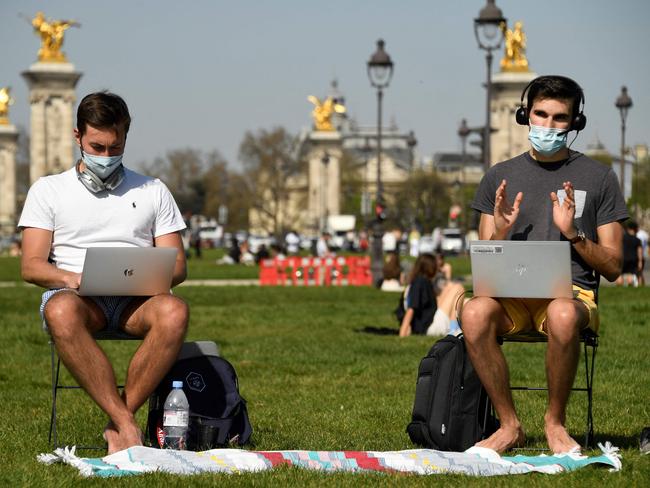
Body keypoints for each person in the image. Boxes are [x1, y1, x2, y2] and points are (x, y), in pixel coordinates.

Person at [462, 75, 628, 454]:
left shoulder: (599, 178)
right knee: (473, 312)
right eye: (541, 114)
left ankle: (554, 424)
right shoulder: (498, 176)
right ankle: (509, 425)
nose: (548, 126)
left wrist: (573, 234)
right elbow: (485, 257)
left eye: (559, 118)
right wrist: (500, 231)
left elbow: (615, 267)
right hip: (510, 299)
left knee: (563, 315)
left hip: (571, 297)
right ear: (525, 115)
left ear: (574, 123)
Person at [18, 92, 189, 454]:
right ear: (77, 136)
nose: (107, 156)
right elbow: (31, 265)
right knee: (60, 310)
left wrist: (148, 275)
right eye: (97, 146)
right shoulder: (49, 190)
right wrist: (72, 279)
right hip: (78, 299)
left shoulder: (153, 190)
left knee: (175, 311)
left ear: (126, 137)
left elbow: (177, 265)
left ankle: (118, 425)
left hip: (138, 303)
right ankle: (126, 424)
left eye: (115, 147)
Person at [397, 253, 465, 337]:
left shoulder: (424, 281)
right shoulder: (420, 282)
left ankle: (454, 328)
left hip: (430, 322)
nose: (438, 268)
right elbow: (411, 309)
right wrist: (403, 332)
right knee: (458, 287)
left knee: (457, 293)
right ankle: (453, 331)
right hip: (429, 327)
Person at [617, 221, 643, 287]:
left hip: (623, 259)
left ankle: (619, 287)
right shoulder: (637, 240)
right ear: (635, 229)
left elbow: (618, 248)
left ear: (628, 228)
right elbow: (639, 251)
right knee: (630, 275)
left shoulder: (622, 238)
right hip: (633, 259)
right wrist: (640, 261)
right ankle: (630, 286)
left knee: (620, 274)